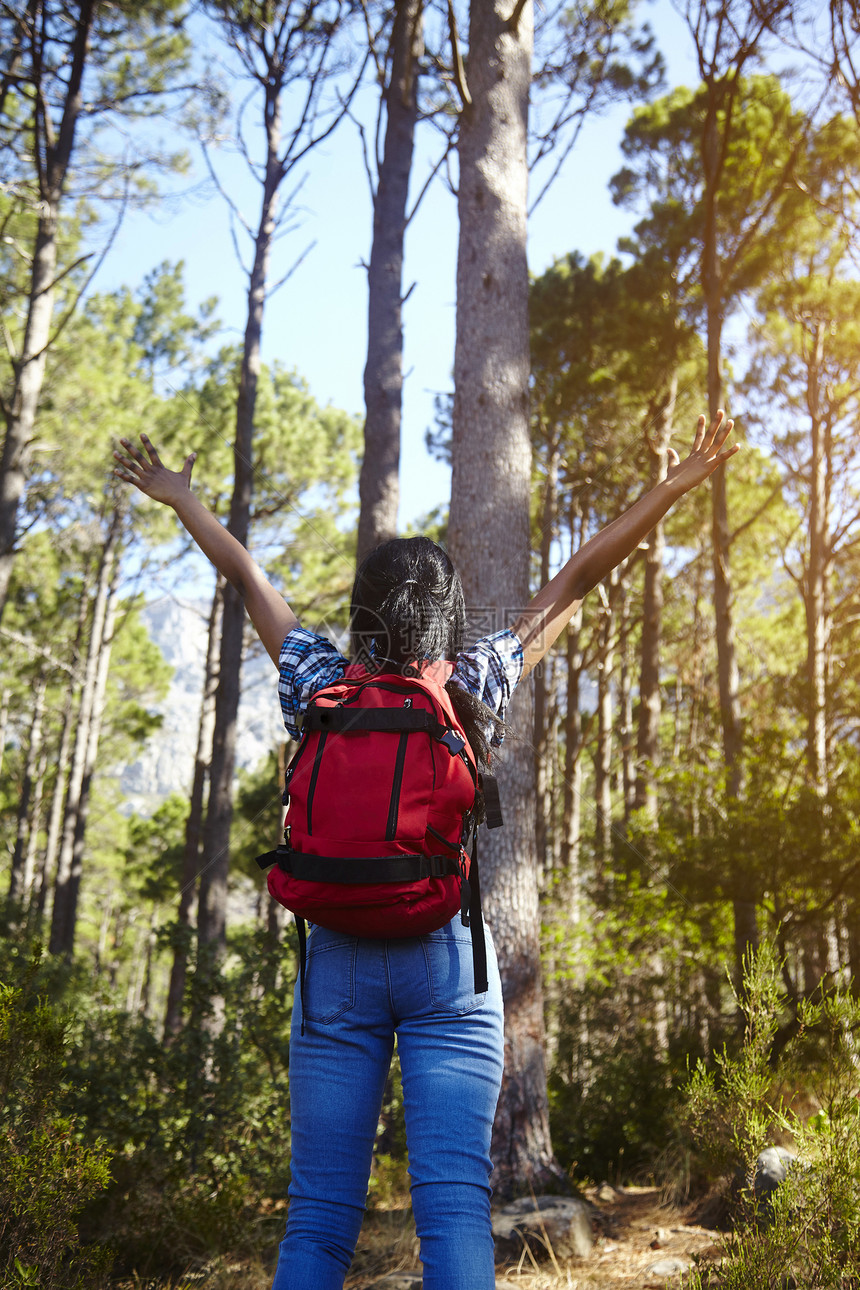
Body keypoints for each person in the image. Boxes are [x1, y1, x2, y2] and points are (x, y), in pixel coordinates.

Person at [113, 411, 737, 1290]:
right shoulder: (474, 680)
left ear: (365, 614)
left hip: (335, 962)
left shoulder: (319, 681)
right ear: (445, 619)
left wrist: (183, 501)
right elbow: (575, 579)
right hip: (449, 962)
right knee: (452, 1209)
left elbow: (247, 577)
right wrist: (666, 491)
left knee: (320, 1218)